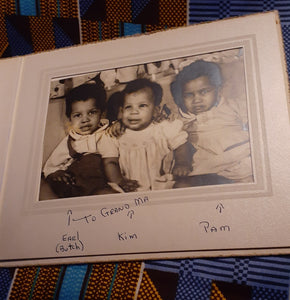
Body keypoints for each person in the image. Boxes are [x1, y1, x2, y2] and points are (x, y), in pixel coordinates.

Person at [98, 78, 193, 192]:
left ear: (155, 111)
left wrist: (182, 163)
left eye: (142, 106)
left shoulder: (163, 128)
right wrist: (120, 182)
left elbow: (181, 144)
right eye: (129, 107)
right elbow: (110, 162)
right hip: (128, 188)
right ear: (121, 111)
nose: (134, 112)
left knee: (184, 185)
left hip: (163, 185)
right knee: (103, 193)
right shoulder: (115, 135)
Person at [170, 59, 253, 186]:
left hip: (239, 154)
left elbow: (253, 121)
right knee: (184, 184)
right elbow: (174, 133)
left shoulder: (231, 105)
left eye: (204, 92)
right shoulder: (184, 116)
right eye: (189, 95)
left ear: (218, 91)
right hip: (209, 164)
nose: (196, 100)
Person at [43, 83, 111, 198]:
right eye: (78, 115)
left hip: (103, 184)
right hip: (77, 185)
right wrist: (55, 173)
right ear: (70, 118)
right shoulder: (71, 141)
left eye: (92, 112)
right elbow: (52, 165)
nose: (85, 119)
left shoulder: (109, 132)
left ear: (102, 113)